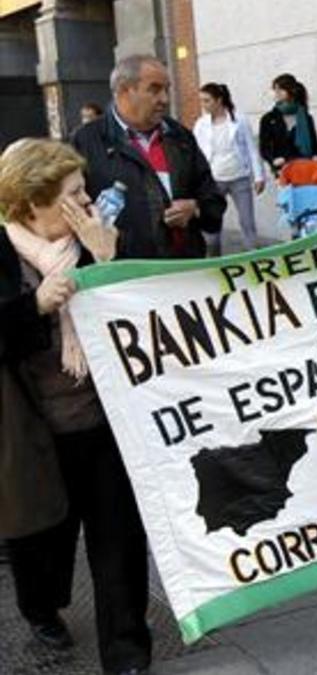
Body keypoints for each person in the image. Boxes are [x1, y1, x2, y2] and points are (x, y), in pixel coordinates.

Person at [0, 138, 151, 675]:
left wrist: (107, 260)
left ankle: (128, 650)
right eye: (73, 193)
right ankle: (40, 608)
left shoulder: (98, 241)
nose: (88, 201)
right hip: (31, 431)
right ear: (31, 204)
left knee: (118, 540)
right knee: (42, 539)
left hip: (101, 421)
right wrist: (34, 307)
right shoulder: (4, 253)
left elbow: (141, 315)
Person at [72, 54, 225, 259]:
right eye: (154, 89)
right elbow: (71, 214)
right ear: (124, 91)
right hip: (127, 277)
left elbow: (213, 199)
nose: (164, 99)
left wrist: (195, 209)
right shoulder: (85, 142)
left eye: (166, 89)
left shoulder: (180, 137)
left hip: (186, 271)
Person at [193, 82, 267, 254]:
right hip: (214, 179)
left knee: (247, 221)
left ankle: (253, 256)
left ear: (219, 100)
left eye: (207, 101)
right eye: (202, 101)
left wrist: (259, 176)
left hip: (239, 177)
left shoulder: (239, 119)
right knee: (213, 222)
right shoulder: (201, 124)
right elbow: (195, 153)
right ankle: (215, 258)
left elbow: (251, 148)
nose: (203, 105)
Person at [259, 73, 317, 175]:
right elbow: (264, 147)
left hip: (306, 168)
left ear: (291, 91)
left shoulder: (306, 117)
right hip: (282, 170)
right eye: (275, 89)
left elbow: (315, 146)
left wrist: (316, 156)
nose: (276, 93)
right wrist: (273, 159)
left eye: (280, 89)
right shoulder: (269, 119)